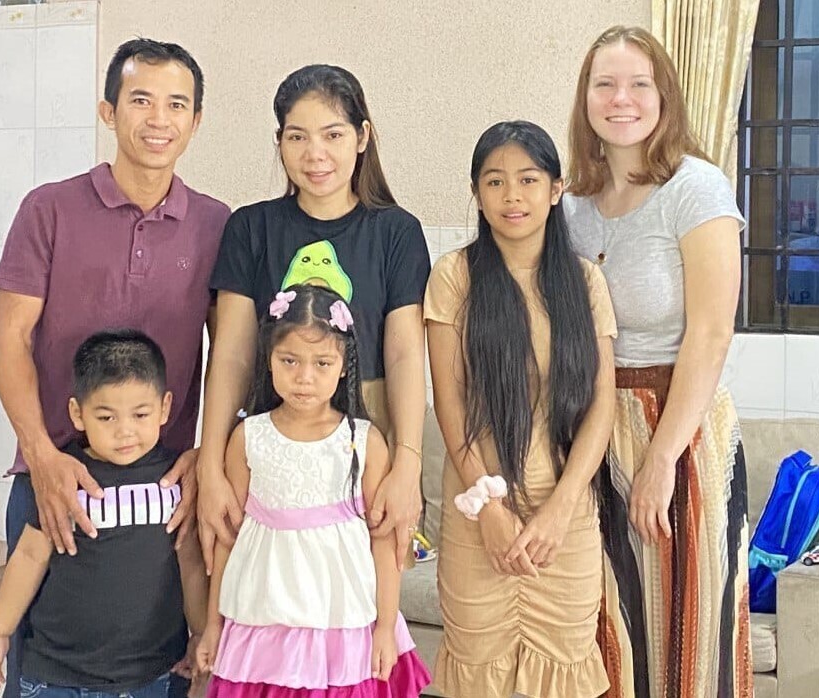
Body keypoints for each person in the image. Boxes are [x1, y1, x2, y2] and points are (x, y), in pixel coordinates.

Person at [0, 38, 229, 697]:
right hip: (54, 476)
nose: (158, 118)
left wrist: (208, 454)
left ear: (196, 120)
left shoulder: (216, 224)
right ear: (108, 110)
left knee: (160, 671)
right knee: (39, 671)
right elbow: (9, 337)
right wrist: (40, 455)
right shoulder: (50, 208)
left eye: (176, 103)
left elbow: (233, 356)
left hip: (164, 496)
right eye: (140, 99)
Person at [565, 25, 752, 698]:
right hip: (591, 428)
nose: (621, 99)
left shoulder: (695, 189)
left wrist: (659, 461)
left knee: (687, 641)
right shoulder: (572, 206)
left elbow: (709, 333)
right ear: (584, 99)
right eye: (604, 84)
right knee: (607, 633)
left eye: (638, 84)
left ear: (664, 96)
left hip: (682, 433)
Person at [197, 64, 431, 575]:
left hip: (368, 432)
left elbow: (405, 351)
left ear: (363, 136)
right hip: (270, 433)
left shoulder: (396, 231)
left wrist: (408, 460)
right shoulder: (250, 228)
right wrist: (212, 465)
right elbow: (233, 355)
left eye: (333, 134)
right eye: (297, 136)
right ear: (279, 142)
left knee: (363, 598)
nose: (314, 153)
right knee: (270, 589)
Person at [425, 121, 616, 698]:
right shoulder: (454, 276)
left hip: (566, 515)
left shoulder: (585, 281)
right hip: (479, 512)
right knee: (477, 668)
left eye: (529, 180)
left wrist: (560, 510)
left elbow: (600, 406)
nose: (512, 197)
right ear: (477, 193)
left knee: (567, 669)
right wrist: (488, 510)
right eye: (495, 182)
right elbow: (449, 404)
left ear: (556, 189)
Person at [194, 284, 431, 697]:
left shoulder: (364, 441)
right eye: (290, 360)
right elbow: (229, 540)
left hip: (341, 620)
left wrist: (386, 627)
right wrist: (213, 625)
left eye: (322, 363)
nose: (305, 377)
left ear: (343, 365)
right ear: (269, 359)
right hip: (263, 617)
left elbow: (383, 542)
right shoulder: (247, 437)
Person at [0, 330, 208, 698]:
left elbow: (190, 564)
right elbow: (30, 555)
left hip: (149, 676)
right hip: (57, 675)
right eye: (106, 417)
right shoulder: (64, 480)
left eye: (140, 414)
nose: (125, 431)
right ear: (78, 414)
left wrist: (201, 634)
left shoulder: (177, 480)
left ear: (164, 407)